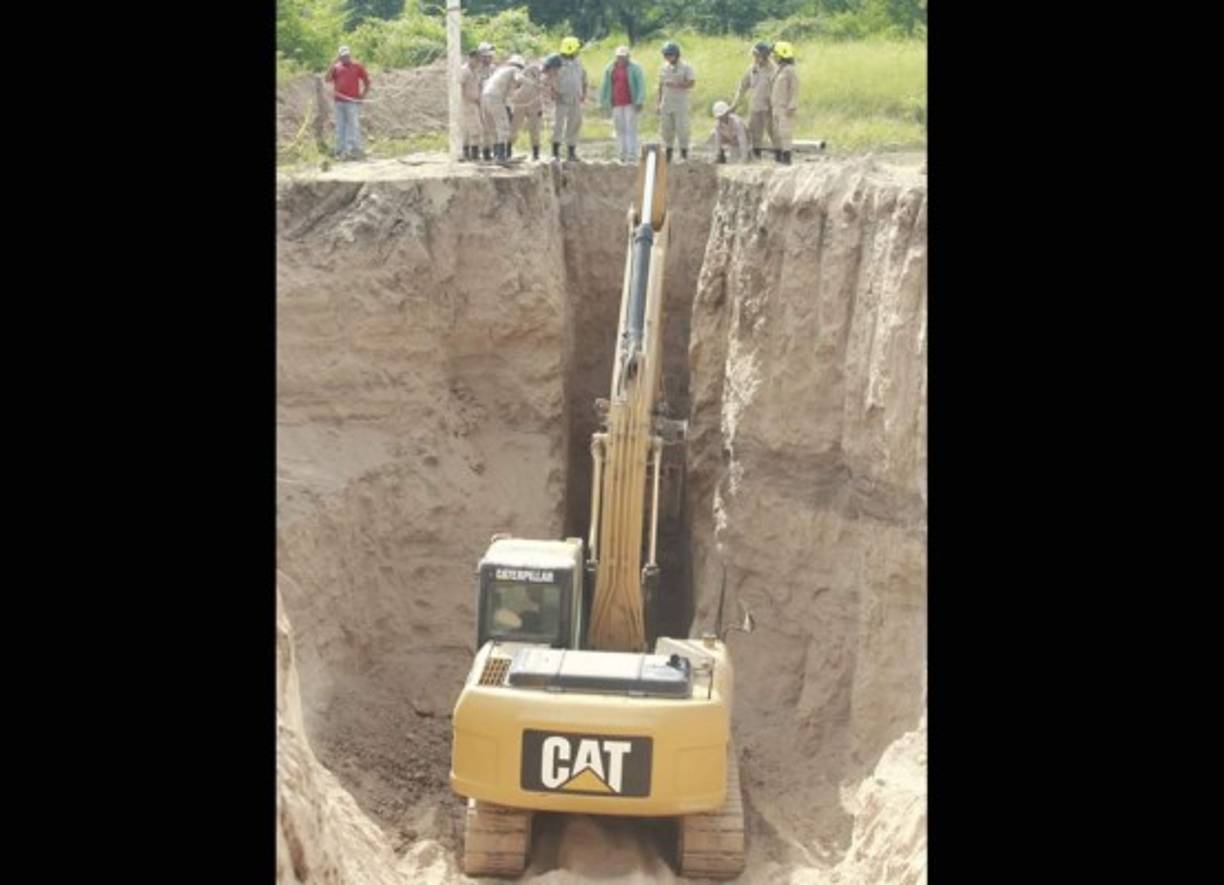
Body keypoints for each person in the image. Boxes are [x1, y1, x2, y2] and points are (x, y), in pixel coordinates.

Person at [729, 41, 776, 160]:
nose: (754, 58)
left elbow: (778, 90)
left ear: (764, 56)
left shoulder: (773, 70)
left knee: (774, 133)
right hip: (755, 106)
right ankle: (756, 158)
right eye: (754, 55)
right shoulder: (752, 69)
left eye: (757, 55)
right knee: (754, 133)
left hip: (770, 107)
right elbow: (743, 87)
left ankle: (781, 157)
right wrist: (735, 104)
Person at [324, 46, 371, 161]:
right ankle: (341, 151)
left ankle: (356, 150)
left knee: (354, 126)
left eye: (347, 55)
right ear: (339, 56)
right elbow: (327, 79)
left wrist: (362, 95)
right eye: (343, 56)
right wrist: (332, 64)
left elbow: (367, 81)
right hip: (339, 102)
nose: (346, 57)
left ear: (350, 55)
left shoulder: (357, 66)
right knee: (340, 127)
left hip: (352, 102)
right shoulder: (336, 67)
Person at [599, 46, 645, 163]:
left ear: (628, 57)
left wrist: (640, 100)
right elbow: (605, 86)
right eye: (619, 57)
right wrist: (603, 101)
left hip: (630, 102)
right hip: (616, 103)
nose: (621, 59)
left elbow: (641, 85)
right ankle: (622, 154)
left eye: (624, 57)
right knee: (619, 129)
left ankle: (632, 154)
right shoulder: (610, 68)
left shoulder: (635, 68)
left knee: (631, 129)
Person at [481, 55, 526, 161]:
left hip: (484, 96)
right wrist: (526, 82)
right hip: (495, 97)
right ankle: (501, 155)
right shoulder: (514, 70)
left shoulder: (499, 71)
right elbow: (519, 78)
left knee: (493, 127)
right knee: (503, 126)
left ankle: (496, 153)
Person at [656, 42, 695, 162]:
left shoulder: (686, 67)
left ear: (677, 54)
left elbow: (691, 83)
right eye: (666, 55)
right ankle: (668, 153)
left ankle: (684, 153)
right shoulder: (663, 67)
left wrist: (677, 84)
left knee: (682, 128)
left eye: (670, 54)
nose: (668, 57)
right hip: (667, 103)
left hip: (680, 103)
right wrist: (658, 102)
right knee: (666, 129)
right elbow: (660, 85)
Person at [552, 37, 588, 161]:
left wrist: (584, 92)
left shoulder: (578, 62)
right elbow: (551, 79)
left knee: (575, 123)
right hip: (562, 97)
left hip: (576, 98)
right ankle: (555, 152)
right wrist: (554, 93)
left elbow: (583, 77)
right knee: (559, 124)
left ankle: (571, 152)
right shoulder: (557, 62)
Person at [509, 58, 547, 161]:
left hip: (533, 104)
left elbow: (545, 90)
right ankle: (507, 151)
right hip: (520, 103)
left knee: (535, 130)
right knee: (514, 128)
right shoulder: (514, 76)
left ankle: (535, 153)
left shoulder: (537, 72)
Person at [770, 41, 800, 165]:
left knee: (785, 132)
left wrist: (792, 105)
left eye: (776, 54)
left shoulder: (790, 70)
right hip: (775, 107)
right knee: (776, 132)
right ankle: (779, 155)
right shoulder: (778, 70)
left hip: (785, 107)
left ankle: (787, 157)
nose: (774, 56)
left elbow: (795, 89)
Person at [458, 48, 484, 162]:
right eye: (477, 60)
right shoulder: (465, 70)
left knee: (472, 129)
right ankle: (472, 154)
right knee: (474, 129)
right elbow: (461, 86)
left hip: (474, 102)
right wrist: (468, 98)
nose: (479, 63)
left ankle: (469, 152)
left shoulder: (474, 71)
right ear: (471, 58)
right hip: (467, 103)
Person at [477, 42, 496, 161]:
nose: (488, 59)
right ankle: (481, 150)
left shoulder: (493, 69)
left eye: (490, 56)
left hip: (491, 100)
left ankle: (488, 150)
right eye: (486, 56)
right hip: (479, 100)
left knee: (490, 127)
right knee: (480, 128)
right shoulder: (476, 69)